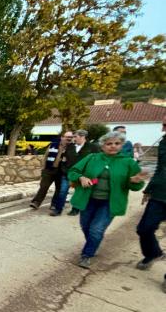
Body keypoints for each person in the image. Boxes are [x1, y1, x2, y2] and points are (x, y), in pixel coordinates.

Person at [68, 131, 147, 269]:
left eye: (117, 143)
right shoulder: (92, 157)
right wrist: (81, 177)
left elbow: (136, 185)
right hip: (88, 199)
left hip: (109, 203)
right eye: (109, 143)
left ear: (122, 145)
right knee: (85, 226)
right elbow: (73, 171)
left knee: (96, 229)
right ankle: (94, 243)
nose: (113, 146)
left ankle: (87, 255)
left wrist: (135, 181)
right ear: (102, 146)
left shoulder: (128, 162)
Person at [136, 116, 166, 273]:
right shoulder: (164, 142)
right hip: (160, 195)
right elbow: (161, 169)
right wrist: (149, 190)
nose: (163, 128)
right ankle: (153, 253)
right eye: (164, 124)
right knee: (144, 229)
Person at [30, 131, 73, 212]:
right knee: (44, 186)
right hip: (49, 169)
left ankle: (54, 204)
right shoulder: (53, 145)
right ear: (62, 137)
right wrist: (43, 168)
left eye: (71, 137)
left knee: (59, 189)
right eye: (67, 137)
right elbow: (46, 156)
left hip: (62, 171)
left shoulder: (72, 148)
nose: (69, 139)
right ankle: (36, 202)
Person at [65, 129, 100, 216]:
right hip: (74, 173)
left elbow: (98, 159)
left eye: (75, 137)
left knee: (83, 191)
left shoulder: (93, 147)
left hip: (87, 175)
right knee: (75, 191)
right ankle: (75, 208)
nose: (73, 139)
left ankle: (77, 209)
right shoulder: (70, 146)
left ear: (82, 137)